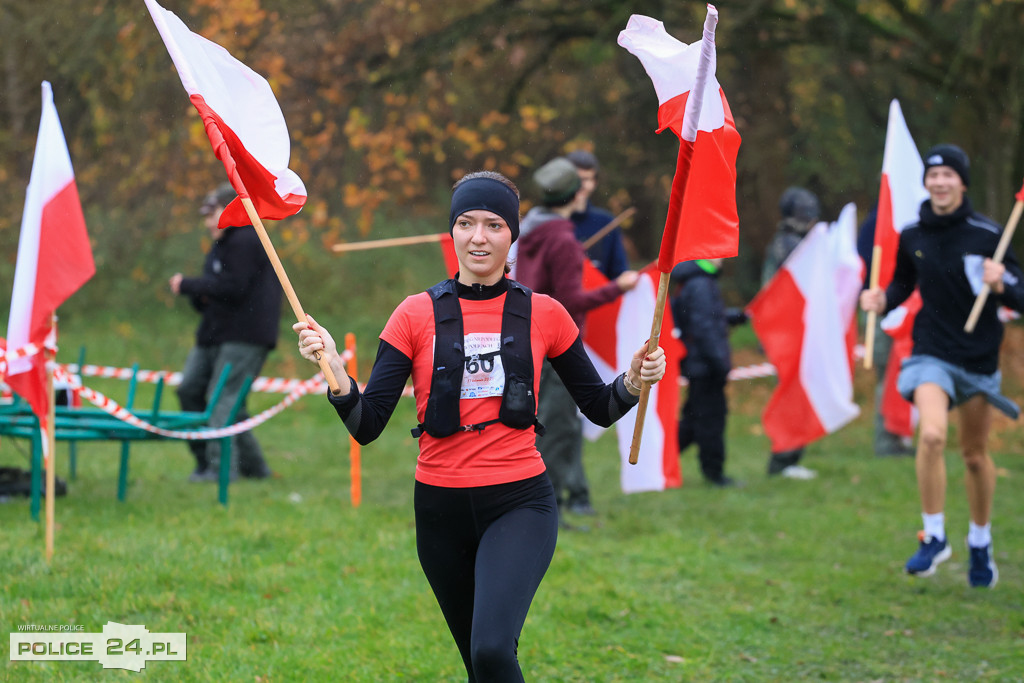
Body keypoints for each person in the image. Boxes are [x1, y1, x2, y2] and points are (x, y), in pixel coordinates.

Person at [293, 170, 666, 680]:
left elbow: (598, 406)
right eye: (466, 223)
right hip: (440, 510)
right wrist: (336, 371)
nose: (478, 237)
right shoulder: (413, 314)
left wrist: (636, 378)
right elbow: (367, 423)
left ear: (512, 236)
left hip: (519, 502)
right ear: (452, 232)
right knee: (480, 663)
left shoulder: (546, 314)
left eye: (493, 225)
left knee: (492, 649)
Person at [860, 144, 1023, 588]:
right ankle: (933, 536)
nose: (940, 182)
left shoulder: (989, 234)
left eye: (949, 175)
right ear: (926, 182)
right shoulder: (913, 235)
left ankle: (980, 540)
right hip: (931, 353)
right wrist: (881, 300)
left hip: (978, 360)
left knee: (973, 456)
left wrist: (1003, 282)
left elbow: (1020, 295)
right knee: (931, 434)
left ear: (962, 182)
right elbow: (901, 284)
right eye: (933, 176)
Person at [515, 157, 640, 518]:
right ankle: (545, 509)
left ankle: (543, 501)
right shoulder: (562, 240)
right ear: (573, 194)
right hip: (557, 346)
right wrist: (616, 287)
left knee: (545, 425)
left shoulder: (529, 230)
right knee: (559, 430)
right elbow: (568, 302)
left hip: (529, 339)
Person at [170, 183, 281, 482]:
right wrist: (198, 292)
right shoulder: (222, 245)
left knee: (223, 400)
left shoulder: (245, 239)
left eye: (213, 214)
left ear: (232, 211)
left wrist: (190, 286)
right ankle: (249, 467)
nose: (207, 223)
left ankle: (220, 472)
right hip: (215, 334)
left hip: (245, 336)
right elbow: (214, 293)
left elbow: (233, 288)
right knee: (192, 391)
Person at [669, 258, 747, 487]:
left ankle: (658, 458)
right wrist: (720, 364)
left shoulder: (695, 281)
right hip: (705, 366)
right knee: (711, 420)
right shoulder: (701, 283)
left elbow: (708, 318)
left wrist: (733, 316)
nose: (723, 258)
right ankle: (714, 473)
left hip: (698, 364)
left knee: (693, 421)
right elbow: (704, 327)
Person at [761, 186, 821, 479]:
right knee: (790, 396)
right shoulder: (788, 246)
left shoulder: (795, 244)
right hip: (786, 336)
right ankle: (783, 460)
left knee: (799, 396)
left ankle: (791, 457)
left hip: (793, 334)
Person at [856, 204, 915, 457]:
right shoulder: (875, 225)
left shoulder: (911, 224)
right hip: (880, 312)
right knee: (887, 374)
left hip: (906, 309)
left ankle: (900, 436)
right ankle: (885, 441)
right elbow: (864, 263)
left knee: (903, 376)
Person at [566, 149, 631, 280]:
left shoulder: (606, 223)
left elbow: (618, 273)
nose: (580, 185)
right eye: (576, 179)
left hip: (598, 298)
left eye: (586, 179)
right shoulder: (547, 222)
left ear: (594, 182)